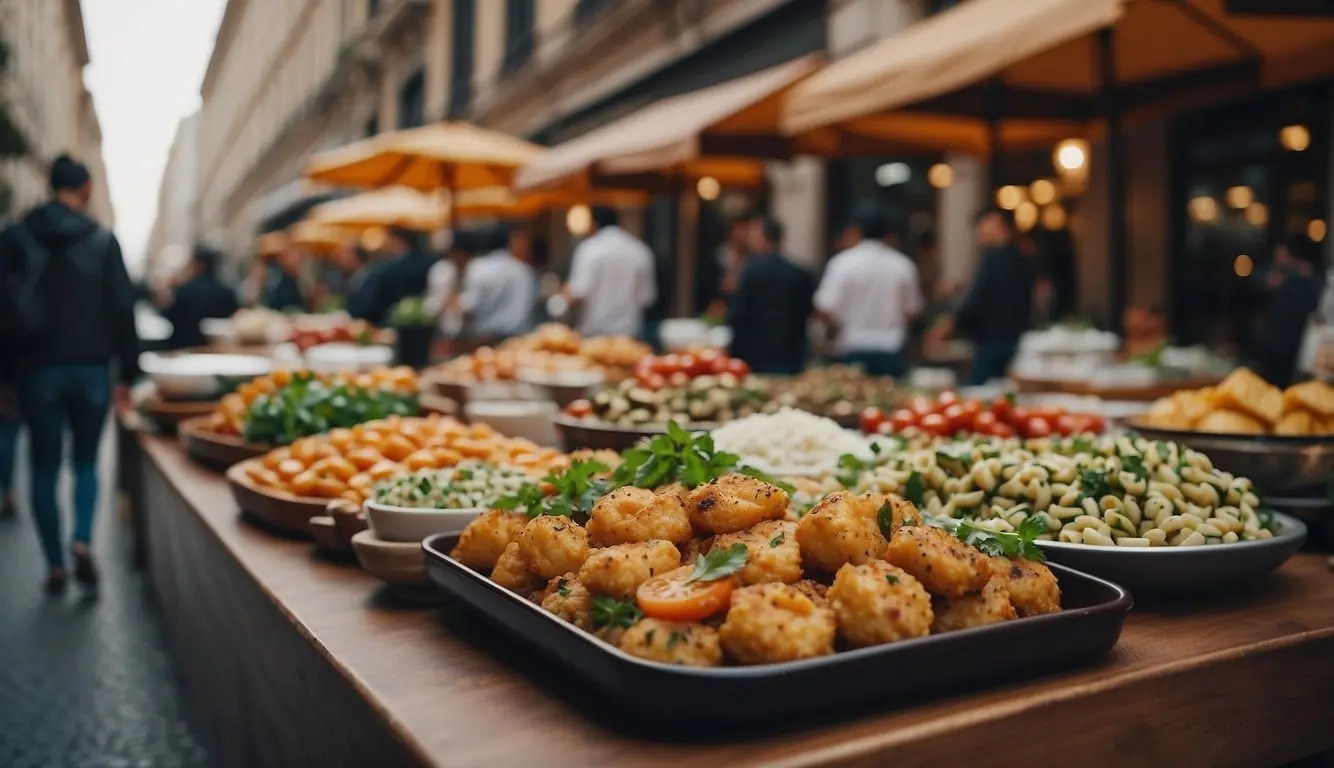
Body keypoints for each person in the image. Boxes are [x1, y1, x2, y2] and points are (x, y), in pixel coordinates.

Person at [0, 155, 140, 592]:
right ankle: (82, 538)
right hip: (92, 369)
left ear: (48, 184)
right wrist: (127, 374)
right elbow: (122, 309)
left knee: (42, 466)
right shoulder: (102, 239)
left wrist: (3, 377)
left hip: (35, 370)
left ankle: (55, 564)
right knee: (85, 462)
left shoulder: (16, 236)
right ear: (86, 188)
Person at [928, 206, 1036, 386]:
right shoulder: (1021, 259)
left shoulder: (992, 260)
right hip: (1017, 339)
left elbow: (975, 303)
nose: (979, 233)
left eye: (984, 226)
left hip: (992, 342)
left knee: (980, 394)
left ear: (1002, 227)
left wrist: (945, 328)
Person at [813, 202, 923, 377]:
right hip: (891, 349)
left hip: (852, 346)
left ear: (857, 230)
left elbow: (825, 307)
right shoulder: (903, 265)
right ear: (889, 233)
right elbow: (912, 311)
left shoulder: (842, 263)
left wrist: (841, 322)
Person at [727, 217, 815, 375]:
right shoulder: (800, 274)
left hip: (756, 356)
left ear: (762, 238)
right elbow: (808, 313)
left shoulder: (750, 273)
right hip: (792, 355)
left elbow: (738, 314)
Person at [563, 206, 656, 338]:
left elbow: (578, 293)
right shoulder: (640, 250)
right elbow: (647, 298)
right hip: (629, 335)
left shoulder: (589, 249)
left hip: (595, 334)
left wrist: (565, 292)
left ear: (593, 224)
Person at [1257, 236, 1323, 386]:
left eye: (1280, 253)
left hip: (1288, 352)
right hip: (1284, 352)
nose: (1277, 259)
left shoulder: (1298, 282)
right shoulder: (1287, 279)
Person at [459, 223, 538, 343]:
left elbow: (470, 306)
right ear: (510, 241)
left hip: (483, 337)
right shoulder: (523, 271)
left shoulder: (478, 267)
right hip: (516, 339)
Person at [160, 246, 240, 349]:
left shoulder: (185, 290)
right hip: (217, 352)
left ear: (198, 265)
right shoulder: (227, 293)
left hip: (184, 351)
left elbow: (170, 315)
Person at [263, 243, 305, 311]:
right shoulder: (277, 279)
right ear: (284, 259)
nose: (297, 260)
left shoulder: (294, 279)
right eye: (293, 256)